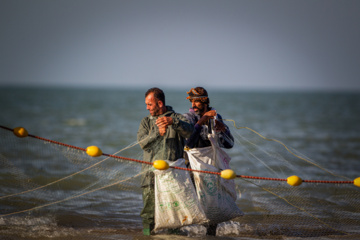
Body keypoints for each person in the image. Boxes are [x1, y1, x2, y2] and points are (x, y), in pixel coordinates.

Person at [137, 87, 194, 236]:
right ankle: (147, 236)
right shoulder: (145, 122)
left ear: (160, 103)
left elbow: (190, 131)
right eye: (146, 105)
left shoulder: (178, 117)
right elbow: (143, 143)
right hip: (150, 176)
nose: (147, 108)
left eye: (150, 105)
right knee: (148, 213)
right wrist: (157, 133)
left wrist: (173, 122)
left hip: (173, 176)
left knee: (175, 214)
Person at [183, 87, 234, 236]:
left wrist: (223, 129)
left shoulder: (216, 117)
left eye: (197, 101)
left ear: (205, 102)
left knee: (212, 203)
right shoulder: (188, 118)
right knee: (192, 201)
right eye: (192, 101)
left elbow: (230, 144)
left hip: (212, 167)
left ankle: (210, 234)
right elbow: (189, 143)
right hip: (192, 166)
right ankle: (184, 233)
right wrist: (202, 121)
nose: (193, 104)